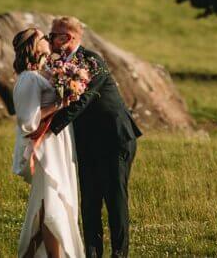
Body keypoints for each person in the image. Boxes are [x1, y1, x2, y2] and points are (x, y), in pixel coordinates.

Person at [32, 16, 142, 258]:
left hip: (115, 138)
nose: (50, 40)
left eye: (53, 36)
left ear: (68, 38)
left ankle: (119, 254)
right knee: (90, 199)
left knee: (114, 198)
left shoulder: (92, 61)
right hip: (86, 142)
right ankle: (92, 253)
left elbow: (80, 101)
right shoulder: (57, 64)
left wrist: (45, 131)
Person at [11, 27, 84, 258]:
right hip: (45, 150)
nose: (47, 39)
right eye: (42, 37)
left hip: (57, 144)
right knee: (52, 205)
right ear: (33, 45)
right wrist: (62, 103)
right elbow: (28, 120)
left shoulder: (43, 72)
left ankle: (29, 255)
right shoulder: (29, 79)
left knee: (48, 207)